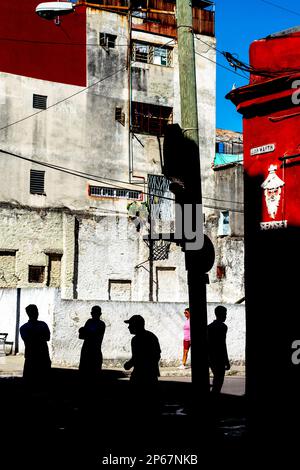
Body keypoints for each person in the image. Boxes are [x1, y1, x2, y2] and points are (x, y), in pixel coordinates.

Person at [124, 315, 161, 384]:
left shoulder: (136, 340)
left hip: (140, 374)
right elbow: (157, 355)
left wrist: (128, 365)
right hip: (151, 374)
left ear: (136, 325)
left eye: (131, 324)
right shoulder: (151, 336)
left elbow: (137, 357)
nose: (128, 327)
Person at [20, 304, 51, 385]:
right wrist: (40, 335)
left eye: (36, 311)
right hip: (35, 357)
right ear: (29, 313)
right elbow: (29, 340)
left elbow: (47, 337)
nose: (36, 313)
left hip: (38, 357)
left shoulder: (24, 328)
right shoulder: (42, 325)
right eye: (34, 312)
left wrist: (34, 335)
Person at [207, 305, 230, 394]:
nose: (226, 316)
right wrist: (226, 360)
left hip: (210, 356)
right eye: (225, 314)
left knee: (216, 379)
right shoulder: (223, 327)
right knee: (219, 381)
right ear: (221, 314)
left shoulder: (209, 327)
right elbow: (222, 344)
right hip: (219, 357)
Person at [78, 305, 106, 379]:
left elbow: (95, 336)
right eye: (93, 313)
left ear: (100, 314)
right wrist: (85, 332)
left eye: (95, 313)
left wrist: (84, 331)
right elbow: (81, 336)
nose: (93, 314)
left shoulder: (101, 324)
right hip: (86, 350)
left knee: (94, 374)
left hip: (94, 351)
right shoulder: (89, 321)